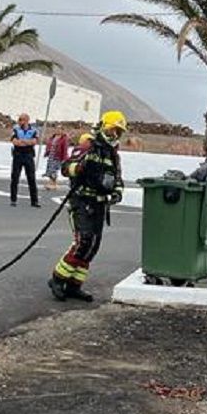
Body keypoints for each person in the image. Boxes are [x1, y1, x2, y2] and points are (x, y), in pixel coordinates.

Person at [48, 111, 128, 302]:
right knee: (83, 241)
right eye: (111, 131)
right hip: (82, 200)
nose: (113, 136)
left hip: (99, 203)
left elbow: (118, 178)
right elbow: (66, 168)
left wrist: (117, 192)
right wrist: (81, 167)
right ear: (101, 127)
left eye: (118, 133)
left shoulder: (113, 155)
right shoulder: (88, 146)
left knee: (93, 246)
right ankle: (58, 279)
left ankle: (74, 285)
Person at [9, 112, 40, 207]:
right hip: (18, 155)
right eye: (19, 119)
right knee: (15, 177)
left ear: (26, 120)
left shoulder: (34, 130)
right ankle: (13, 199)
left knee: (31, 178)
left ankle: (34, 201)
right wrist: (26, 142)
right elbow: (15, 142)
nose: (19, 121)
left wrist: (23, 142)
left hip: (28, 155)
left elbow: (34, 141)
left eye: (21, 119)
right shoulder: (15, 129)